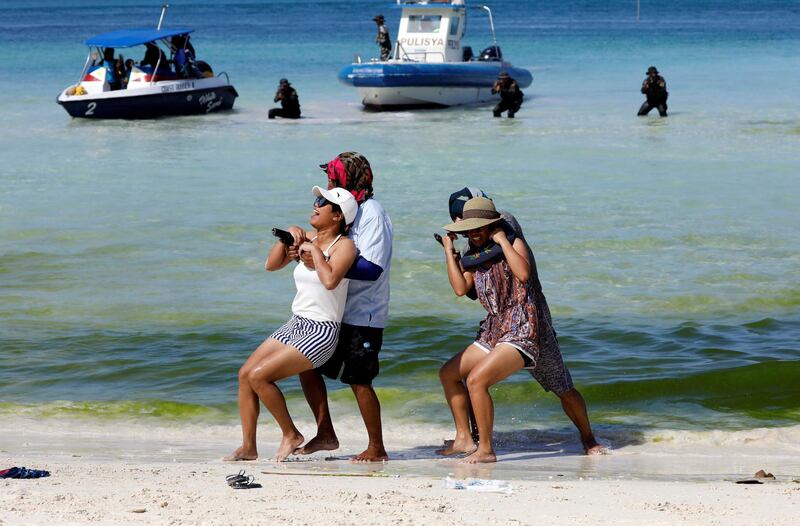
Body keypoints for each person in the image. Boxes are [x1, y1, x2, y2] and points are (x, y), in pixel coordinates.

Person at [438, 195, 604, 463]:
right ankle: (465, 439)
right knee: (449, 374)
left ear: (492, 225)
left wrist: (503, 241)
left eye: (480, 227)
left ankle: (588, 438)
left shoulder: (513, 242)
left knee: (563, 388)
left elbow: (524, 274)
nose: (474, 233)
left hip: (526, 327)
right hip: (495, 329)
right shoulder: (472, 256)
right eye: (470, 228)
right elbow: (460, 289)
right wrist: (449, 252)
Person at [225, 187, 358, 462]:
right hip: (296, 323)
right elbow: (271, 266)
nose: (316, 205)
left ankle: (291, 434)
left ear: (337, 217)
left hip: (322, 330)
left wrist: (315, 254)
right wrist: (290, 236)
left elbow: (331, 280)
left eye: (323, 203)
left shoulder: (344, 246)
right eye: (316, 200)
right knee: (244, 375)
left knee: (259, 376)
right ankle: (248, 447)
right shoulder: (308, 239)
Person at [290, 152, 393, 462]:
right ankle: (325, 433)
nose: (329, 184)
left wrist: (324, 263)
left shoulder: (372, 212)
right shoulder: (348, 211)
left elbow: (372, 268)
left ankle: (377, 447)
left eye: (334, 180)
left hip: (365, 313)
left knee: (359, 380)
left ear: (350, 180)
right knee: (304, 365)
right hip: (337, 311)